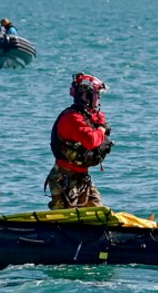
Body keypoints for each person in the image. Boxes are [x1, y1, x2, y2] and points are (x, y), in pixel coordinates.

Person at [47, 73, 112, 209]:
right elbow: (91, 141)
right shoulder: (72, 118)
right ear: (86, 95)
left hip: (83, 177)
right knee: (65, 222)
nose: (99, 97)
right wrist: (101, 129)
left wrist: (100, 124)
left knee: (98, 211)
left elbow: (101, 121)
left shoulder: (88, 116)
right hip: (64, 179)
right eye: (96, 94)